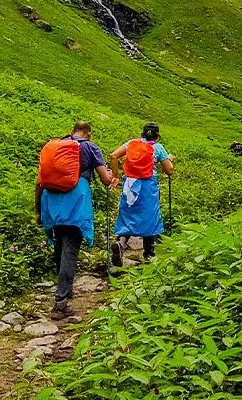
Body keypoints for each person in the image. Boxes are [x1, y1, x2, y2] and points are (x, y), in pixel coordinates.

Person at [35, 121, 116, 320]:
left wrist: (38, 210)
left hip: (51, 199)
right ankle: (61, 302)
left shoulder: (56, 146)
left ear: (72, 131)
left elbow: (39, 181)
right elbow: (105, 179)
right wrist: (113, 177)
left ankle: (66, 289)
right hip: (76, 199)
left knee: (60, 245)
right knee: (70, 249)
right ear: (88, 132)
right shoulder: (90, 147)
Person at [110, 122, 174, 266]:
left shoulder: (131, 143)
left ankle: (121, 243)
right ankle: (149, 255)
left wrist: (115, 175)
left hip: (130, 185)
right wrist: (169, 159)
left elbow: (113, 156)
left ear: (143, 133)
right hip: (148, 186)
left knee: (127, 215)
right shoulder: (158, 148)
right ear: (157, 135)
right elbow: (169, 171)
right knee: (149, 217)